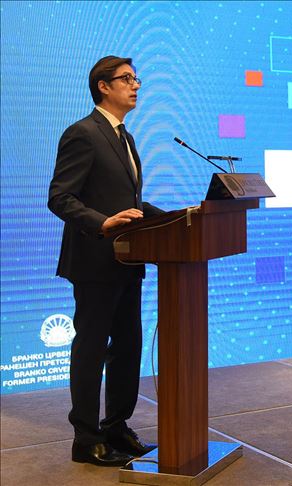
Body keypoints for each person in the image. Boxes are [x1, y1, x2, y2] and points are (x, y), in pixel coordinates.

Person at [48, 56, 164, 467]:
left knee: (128, 347)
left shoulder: (124, 137)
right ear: (103, 86)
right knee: (91, 349)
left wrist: (175, 215)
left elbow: (127, 202)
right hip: (94, 260)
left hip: (128, 261)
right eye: (127, 79)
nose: (136, 86)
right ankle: (86, 438)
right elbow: (60, 197)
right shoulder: (83, 133)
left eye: (136, 79)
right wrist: (102, 223)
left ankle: (116, 426)